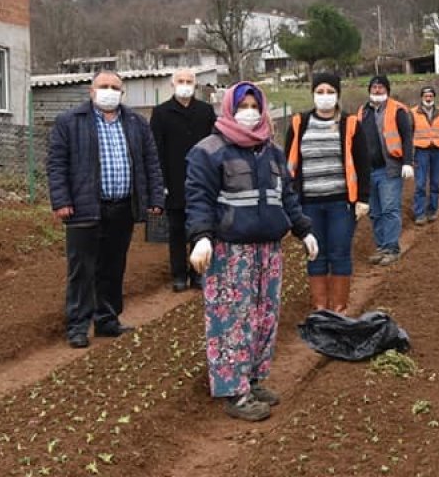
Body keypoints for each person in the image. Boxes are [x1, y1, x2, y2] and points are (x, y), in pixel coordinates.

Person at [185, 81, 319, 421]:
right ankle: (235, 391)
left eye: (254, 106)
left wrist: (304, 230)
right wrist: (201, 236)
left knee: (265, 317)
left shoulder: (272, 152)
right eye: (242, 106)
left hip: (268, 249)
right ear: (229, 108)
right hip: (231, 250)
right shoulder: (209, 150)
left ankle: (255, 378)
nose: (249, 112)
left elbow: (286, 196)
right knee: (232, 319)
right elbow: (198, 198)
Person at [47, 70, 164, 349]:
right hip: (84, 208)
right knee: (82, 269)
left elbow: (151, 162)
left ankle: (107, 319)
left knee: (113, 266)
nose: (109, 91)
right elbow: (56, 164)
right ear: (91, 91)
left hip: (122, 206)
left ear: (122, 93)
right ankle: (78, 325)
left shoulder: (136, 122)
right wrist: (61, 200)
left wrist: (155, 197)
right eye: (103, 86)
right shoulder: (70, 122)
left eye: (114, 87)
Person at [282, 72, 371, 314]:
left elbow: (363, 164)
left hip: (341, 203)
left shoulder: (350, 124)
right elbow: (288, 164)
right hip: (308, 204)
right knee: (315, 254)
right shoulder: (299, 124)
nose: (325, 97)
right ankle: (320, 308)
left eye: (329, 92)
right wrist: (289, 200)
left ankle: (339, 309)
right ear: (312, 94)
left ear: (337, 94)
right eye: (320, 92)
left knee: (340, 252)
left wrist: (363, 198)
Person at [150, 68, 217, 292]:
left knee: (200, 228)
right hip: (174, 181)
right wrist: (161, 184)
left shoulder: (206, 111)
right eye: (181, 81)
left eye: (189, 81)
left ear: (195, 85)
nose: (185, 84)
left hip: (202, 180)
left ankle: (197, 272)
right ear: (172, 84)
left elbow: (215, 144)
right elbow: (156, 151)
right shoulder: (161, 113)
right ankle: (178, 275)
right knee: (177, 230)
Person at [359, 75, 415, 265]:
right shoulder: (362, 112)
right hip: (368, 170)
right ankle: (381, 246)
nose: (376, 90)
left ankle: (392, 248)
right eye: (374, 87)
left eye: (380, 87)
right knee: (374, 211)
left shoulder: (397, 110)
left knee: (390, 209)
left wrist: (408, 161)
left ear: (387, 90)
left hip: (390, 167)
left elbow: (407, 137)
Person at [411, 86, 439, 226]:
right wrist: (409, 157)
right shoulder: (413, 113)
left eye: (430, 95)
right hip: (420, 151)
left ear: (433, 97)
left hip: (437, 151)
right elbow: (408, 135)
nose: (428, 98)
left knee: (435, 183)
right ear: (421, 97)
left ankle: (432, 211)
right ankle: (419, 213)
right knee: (420, 184)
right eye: (425, 95)